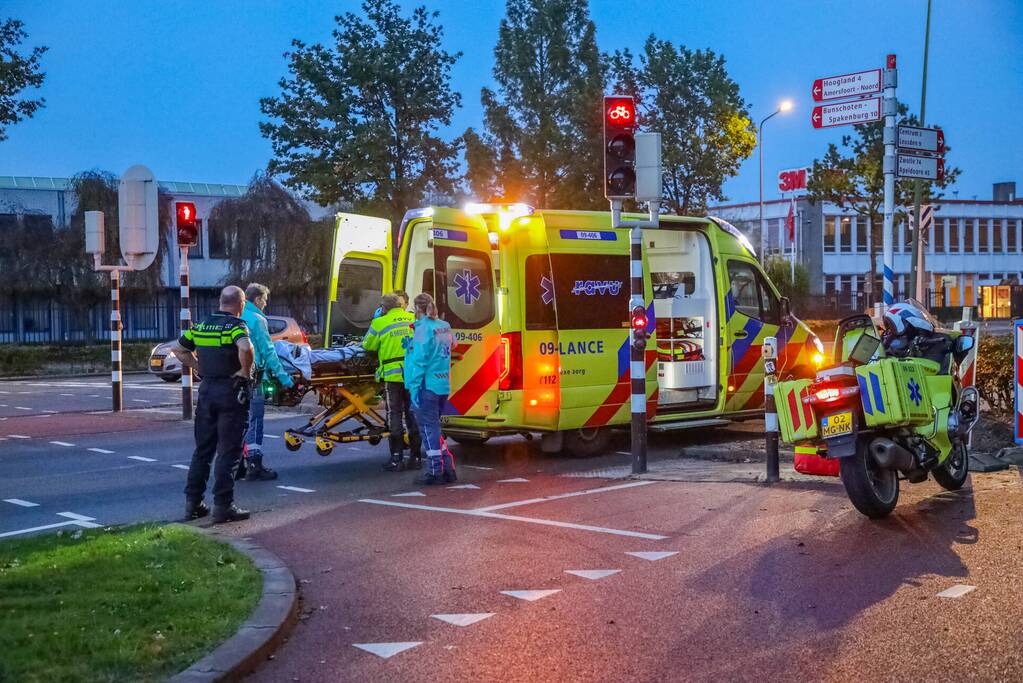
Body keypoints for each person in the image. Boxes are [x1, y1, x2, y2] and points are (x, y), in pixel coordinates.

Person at [168, 285, 254, 524]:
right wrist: (244, 372)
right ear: (241, 305)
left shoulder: (202, 325)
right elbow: (246, 347)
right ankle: (223, 506)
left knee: (203, 451)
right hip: (230, 391)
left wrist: (198, 368)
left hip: (206, 392)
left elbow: (178, 349)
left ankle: (193, 503)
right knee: (229, 451)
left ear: (220, 302)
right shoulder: (235, 326)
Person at [239, 282, 294, 481]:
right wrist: (284, 377)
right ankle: (255, 463)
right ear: (257, 299)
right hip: (254, 378)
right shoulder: (256, 320)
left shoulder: (235, 316)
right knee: (255, 420)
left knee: (239, 422)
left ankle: (238, 465)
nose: (265, 304)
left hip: (233, 378)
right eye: (265, 300)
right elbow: (268, 351)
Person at [363, 292, 421, 471]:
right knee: (413, 415)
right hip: (413, 374)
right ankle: (416, 458)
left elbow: (367, 345)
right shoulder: (413, 319)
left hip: (392, 376)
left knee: (394, 415)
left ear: (384, 308)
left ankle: (396, 459)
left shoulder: (380, 322)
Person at [404, 292, 455, 485]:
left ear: (417, 309)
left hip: (426, 385)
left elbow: (419, 360)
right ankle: (447, 466)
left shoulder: (423, 329)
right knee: (434, 427)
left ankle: (435, 471)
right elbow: (453, 344)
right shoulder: (444, 326)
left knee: (427, 429)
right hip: (442, 384)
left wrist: (414, 388)